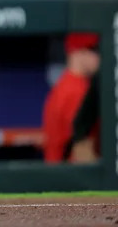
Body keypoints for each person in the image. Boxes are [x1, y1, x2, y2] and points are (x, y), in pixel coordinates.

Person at [42, 33, 100, 163]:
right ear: (79, 52)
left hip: (64, 175)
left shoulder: (66, 85)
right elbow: (82, 150)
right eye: (95, 50)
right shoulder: (76, 92)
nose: (100, 56)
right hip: (72, 177)